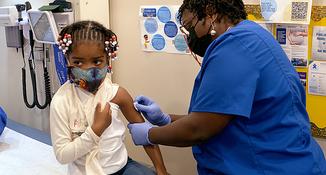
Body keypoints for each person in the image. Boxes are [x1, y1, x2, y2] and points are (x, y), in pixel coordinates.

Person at [127, 0, 326, 174]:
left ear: (211, 12)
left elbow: (199, 128)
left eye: (190, 26)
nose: (189, 37)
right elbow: (220, 115)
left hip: (266, 166)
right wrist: (165, 119)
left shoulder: (235, 47)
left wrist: (149, 134)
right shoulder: (254, 36)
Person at [50, 21, 167, 175]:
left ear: (108, 60)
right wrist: (95, 131)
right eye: (78, 62)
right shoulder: (61, 101)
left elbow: (145, 135)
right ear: (67, 60)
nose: (88, 69)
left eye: (97, 61)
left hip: (122, 167)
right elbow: (62, 155)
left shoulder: (117, 94)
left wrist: (161, 170)